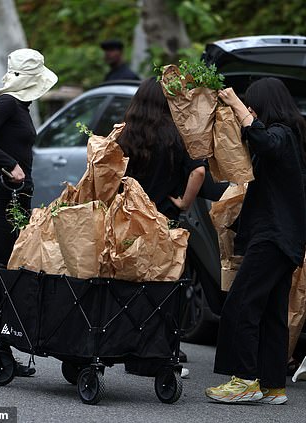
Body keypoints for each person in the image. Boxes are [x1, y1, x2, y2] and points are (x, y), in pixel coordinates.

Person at [205, 77, 306, 405]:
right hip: (283, 239)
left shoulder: (282, 134)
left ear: (265, 105)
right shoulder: (290, 137)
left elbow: (266, 140)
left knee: (242, 304)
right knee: (271, 312)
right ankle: (272, 385)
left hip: (273, 237)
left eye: (253, 104)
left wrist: (236, 104)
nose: (249, 109)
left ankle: (244, 380)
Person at [0, 48, 57, 381]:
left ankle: (1, 349)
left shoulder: (20, 105)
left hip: (16, 202)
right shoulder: (7, 104)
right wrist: (9, 165)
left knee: (9, 281)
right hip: (0, 202)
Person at [116, 76, 206, 378]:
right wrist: (184, 203)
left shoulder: (126, 136)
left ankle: (127, 350)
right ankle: (158, 352)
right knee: (163, 290)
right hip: (163, 225)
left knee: (128, 287)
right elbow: (199, 172)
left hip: (129, 224)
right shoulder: (176, 136)